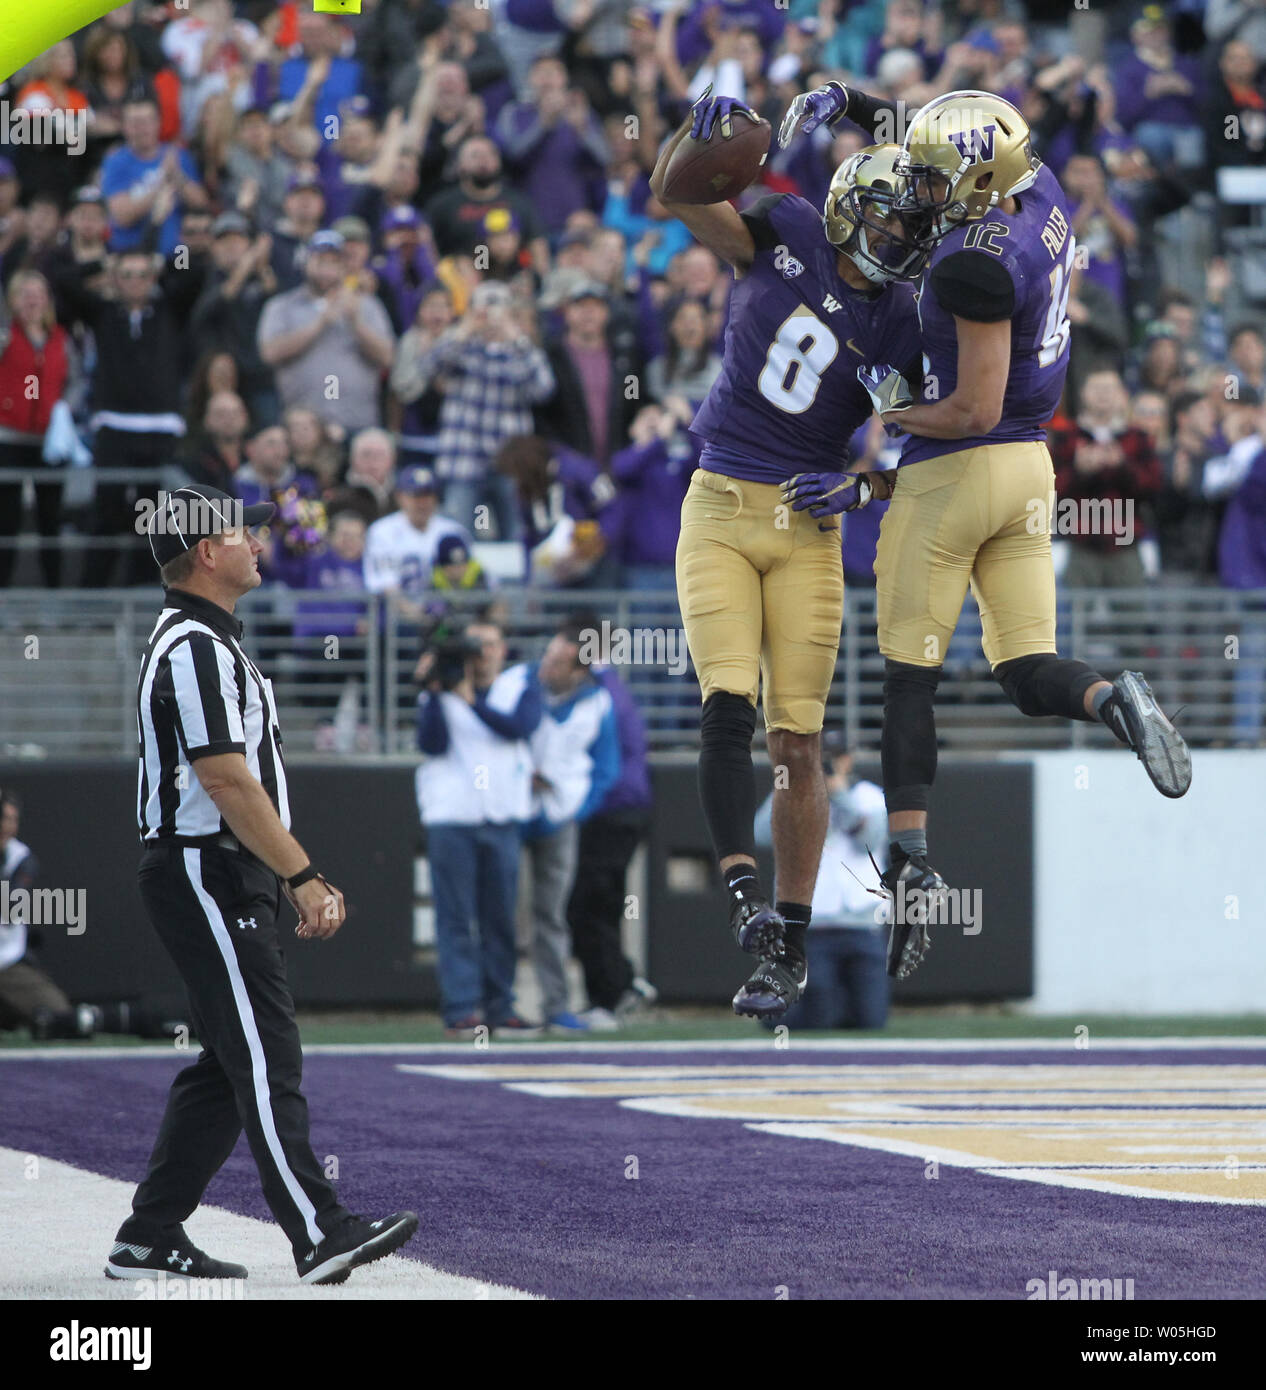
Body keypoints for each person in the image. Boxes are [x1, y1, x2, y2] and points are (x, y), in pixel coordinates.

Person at [781, 82, 1192, 983]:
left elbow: (969, 409)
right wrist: (856, 101)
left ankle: (911, 862)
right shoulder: (1037, 187)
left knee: (907, 685)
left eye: (936, 182)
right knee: (1024, 669)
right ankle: (1113, 699)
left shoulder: (976, 262)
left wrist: (895, 418)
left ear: (973, 182)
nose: (925, 192)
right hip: (1029, 475)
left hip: (963, 468)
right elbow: (956, 143)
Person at [650, 90, 926, 1021]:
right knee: (725, 704)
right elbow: (677, 194)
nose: (896, 234)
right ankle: (746, 908)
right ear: (849, 204)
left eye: (908, 221)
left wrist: (867, 486)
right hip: (722, 502)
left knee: (797, 739)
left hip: (811, 524)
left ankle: (793, 944)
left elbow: (936, 458)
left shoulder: (902, 319)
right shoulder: (788, 229)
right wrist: (697, 136)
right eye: (884, 214)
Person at [114, 481, 417, 1285]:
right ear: (207, 553)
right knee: (263, 1048)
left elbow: (237, 785)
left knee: (228, 1059)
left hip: (219, 866)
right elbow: (226, 780)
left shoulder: (205, 640)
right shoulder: (193, 646)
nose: (259, 541)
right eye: (244, 532)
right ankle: (319, 1232)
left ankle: (148, 1235)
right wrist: (303, 873)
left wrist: (277, 870)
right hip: (202, 867)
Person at [414, 618, 541, 1037]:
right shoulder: (442, 689)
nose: (482, 653)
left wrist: (470, 701)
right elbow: (432, 744)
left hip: (502, 816)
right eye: (475, 645)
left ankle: (501, 1004)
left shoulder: (519, 683)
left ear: (504, 649)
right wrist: (435, 692)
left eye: (490, 644)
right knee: (455, 918)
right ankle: (462, 1007)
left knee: (500, 917)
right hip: (453, 816)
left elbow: (519, 727)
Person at [523, 619, 621, 1033]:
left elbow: (606, 768)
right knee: (495, 913)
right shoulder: (522, 686)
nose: (548, 665)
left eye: (559, 660)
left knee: (551, 914)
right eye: (549, 654)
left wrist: (575, 809)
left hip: (560, 820)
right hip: (508, 812)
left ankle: (555, 1005)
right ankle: (490, 1004)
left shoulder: (598, 703)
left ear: (579, 670)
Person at [754, 737, 890, 1030]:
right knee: (819, 1016)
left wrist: (839, 794)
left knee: (872, 1020)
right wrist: (791, 785)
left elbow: (869, 840)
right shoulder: (791, 792)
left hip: (862, 925)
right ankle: (780, 1009)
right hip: (814, 927)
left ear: (848, 760)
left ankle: (833, 1004)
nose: (827, 766)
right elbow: (762, 835)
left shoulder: (870, 797)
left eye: (834, 758)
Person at [257, 229, 396, 435]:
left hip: (358, 423)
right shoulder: (282, 306)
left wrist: (356, 322)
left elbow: (388, 357)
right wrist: (320, 323)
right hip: (303, 429)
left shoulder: (367, 306)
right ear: (307, 263)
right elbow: (270, 353)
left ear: (344, 267)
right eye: (321, 261)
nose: (327, 269)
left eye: (334, 262)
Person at [0, 270, 73, 587]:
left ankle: (54, 597)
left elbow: (77, 381)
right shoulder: (5, 336)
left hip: (49, 442)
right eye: (24, 293)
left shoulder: (62, 339)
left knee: (50, 520)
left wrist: (63, 407)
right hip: (9, 438)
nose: (32, 300)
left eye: (37, 293)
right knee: (6, 522)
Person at [364, 463, 472, 616]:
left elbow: (471, 578)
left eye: (427, 496)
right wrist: (416, 615)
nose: (422, 503)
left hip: (448, 617)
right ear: (400, 497)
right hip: (397, 620)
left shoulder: (454, 531)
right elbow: (384, 585)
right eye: (416, 496)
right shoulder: (382, 531)